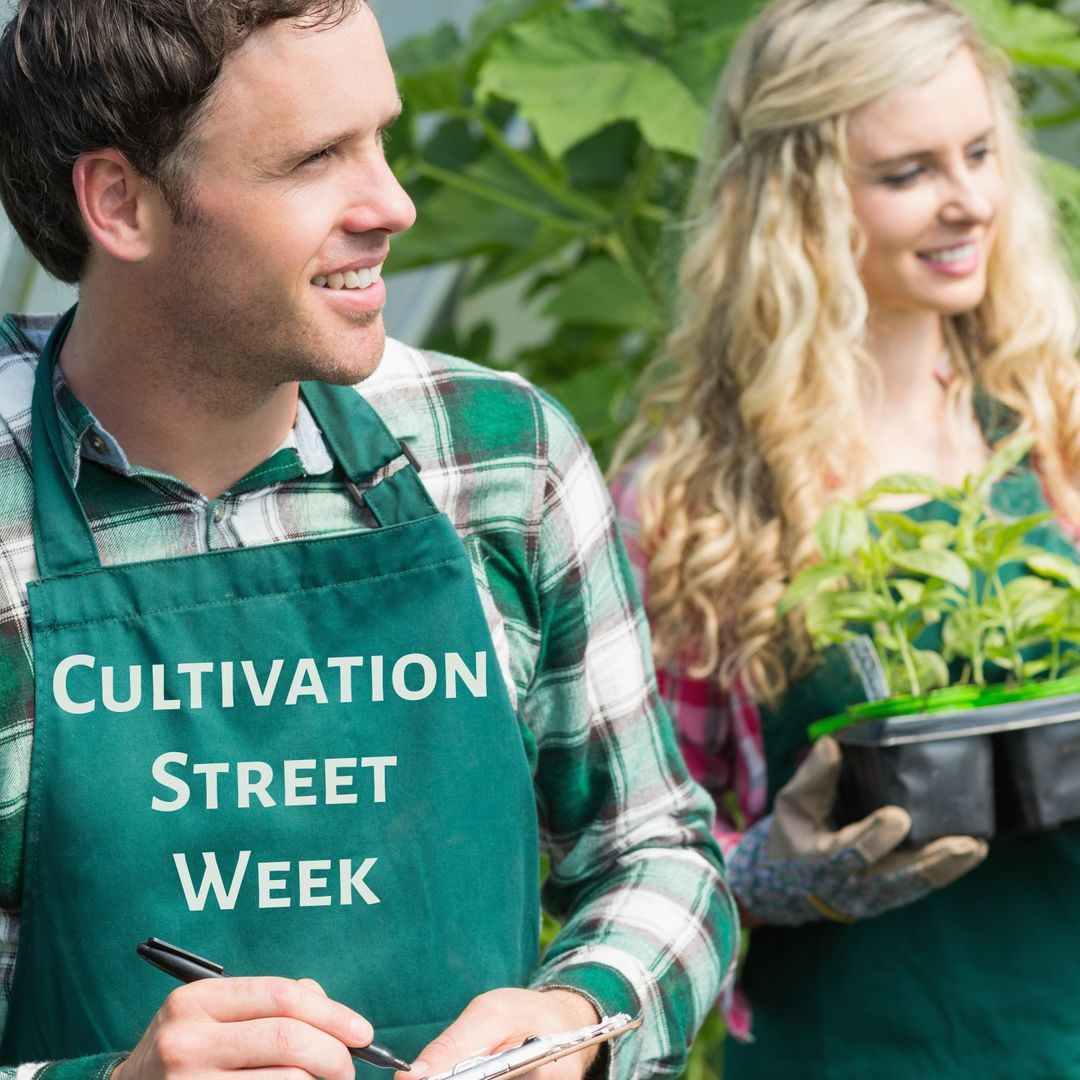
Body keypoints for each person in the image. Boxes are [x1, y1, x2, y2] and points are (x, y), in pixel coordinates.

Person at [0, 2, 739, 1078]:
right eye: (314, 161)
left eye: (380, 139)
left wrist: (578, 1020)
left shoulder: (497, 457)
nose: (393, 203)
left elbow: (654, 851)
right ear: (120, 201)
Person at [613, 0, 1080, 1076]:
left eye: (979, 152)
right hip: (844, 1049)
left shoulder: (1057, 443)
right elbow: (625, 856)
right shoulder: (695, 507)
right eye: (908, 172)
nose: (970, 201)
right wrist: (761, 877)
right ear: (801, 205)